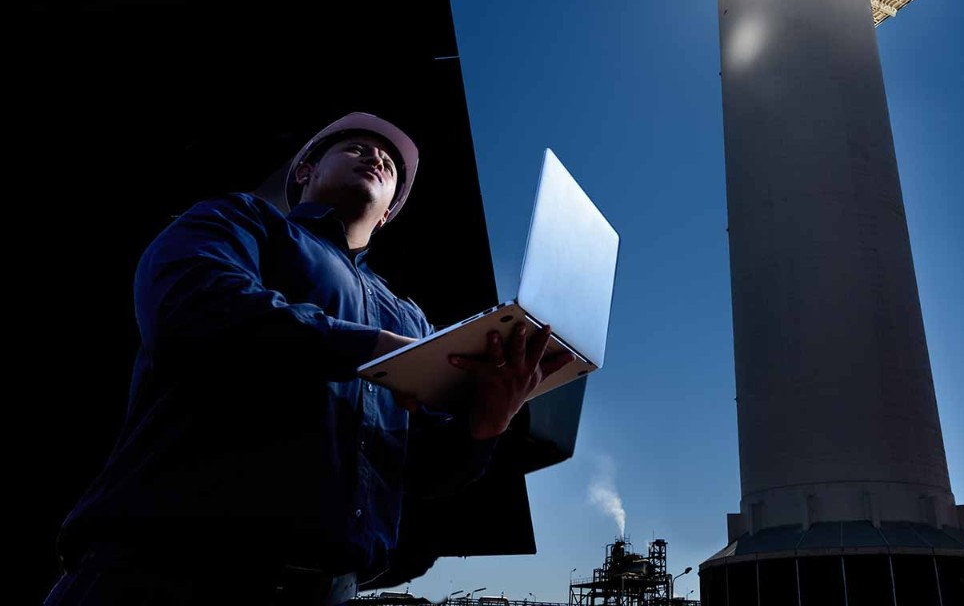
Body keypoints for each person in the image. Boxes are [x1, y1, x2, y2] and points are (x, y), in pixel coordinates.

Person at [45, 112, 571, 605]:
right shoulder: (241, 220)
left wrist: (485, 424)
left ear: (388, 214)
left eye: (390, 166)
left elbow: (422, 472)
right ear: (305, 171)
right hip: (163, 569)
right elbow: (190, 305)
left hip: (327, 589)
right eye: (356, 148)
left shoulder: (411, 320)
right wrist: (370, 347)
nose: (377, 158)